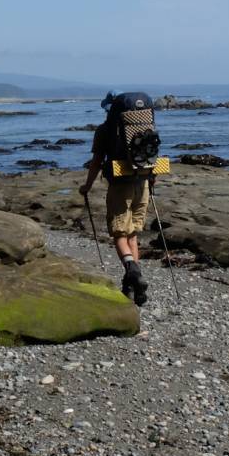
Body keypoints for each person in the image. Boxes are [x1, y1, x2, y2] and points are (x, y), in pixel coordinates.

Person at [79, 92, 155, 306]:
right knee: (133, 233)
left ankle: (132, 270)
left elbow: (96, 162)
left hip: (120, 184)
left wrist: (87, 186)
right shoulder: (143, 126)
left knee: (119, 232)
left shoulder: (105, 131)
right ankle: (131, 287)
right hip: (143, 181)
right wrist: (151, 179)